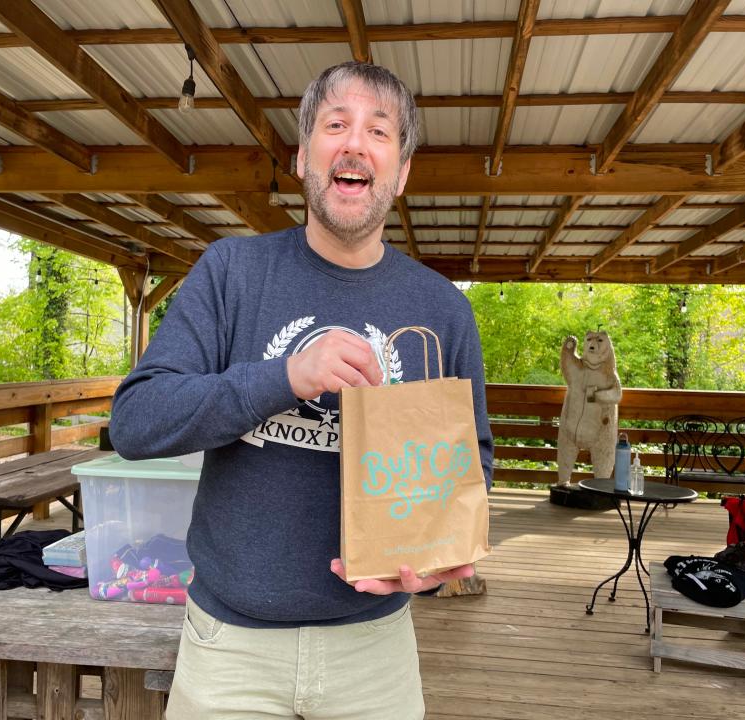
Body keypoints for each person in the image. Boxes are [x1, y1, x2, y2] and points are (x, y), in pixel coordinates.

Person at [109, 61, 493, 719]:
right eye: (334, 124)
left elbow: (471, 465)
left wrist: (435, 562)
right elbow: (137, 421)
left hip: (376, 651)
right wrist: (284, 376)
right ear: (302, 156)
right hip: (228, 646)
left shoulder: (441, 309)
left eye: (379, 131)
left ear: (401, 173)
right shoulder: (231, 273)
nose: (354, 144)